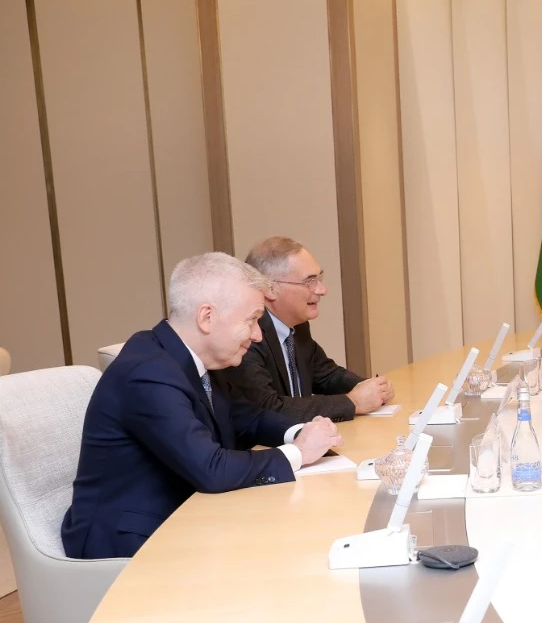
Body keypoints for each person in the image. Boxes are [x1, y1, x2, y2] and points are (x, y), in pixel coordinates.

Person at [61, 253, 341, 559]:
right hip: (130, 539)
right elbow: (211, 469)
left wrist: (303, 432)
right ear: (206, 317)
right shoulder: (148, 371)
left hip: (185, 515)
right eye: (252, 320)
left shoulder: (191, 358)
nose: (258, 335)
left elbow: (249, 418)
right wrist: (298, 453)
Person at [215, 236, 393, 423]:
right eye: (310, 281)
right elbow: (269, 408)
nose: (322, 290)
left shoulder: (297, 326)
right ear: (270, 289)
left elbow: (326, 375)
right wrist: (353, 402)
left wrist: (372, 387)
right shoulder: (249, 335)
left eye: (319, 278)